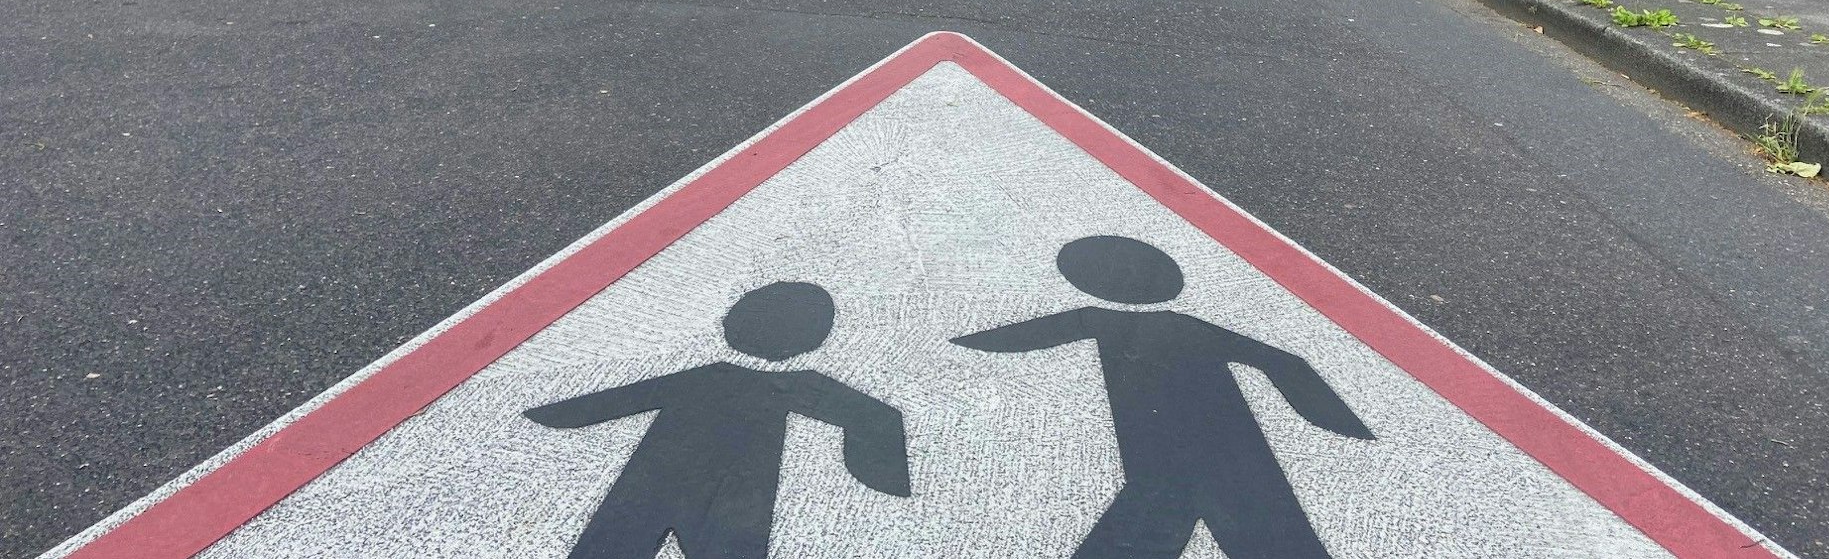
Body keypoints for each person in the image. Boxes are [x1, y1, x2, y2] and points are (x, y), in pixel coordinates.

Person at [954, 236, 1372, 559]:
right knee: (1253, 522)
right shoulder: (1183, 325)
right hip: (1220, 446)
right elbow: (1283, 363)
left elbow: (1023, 337)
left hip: (1182, 447)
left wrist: (1334, 420)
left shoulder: (1108, 320)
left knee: (1174, 514)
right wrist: (1330, 417)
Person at [526, 282, 909, 559]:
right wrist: (880, 473)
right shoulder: (803, 386)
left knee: (619, 536)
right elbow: (875, 417)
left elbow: (614, 402)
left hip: (654, 479)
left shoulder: (706, 377)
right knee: (727, 543)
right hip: (739, 490)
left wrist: (553, 415)